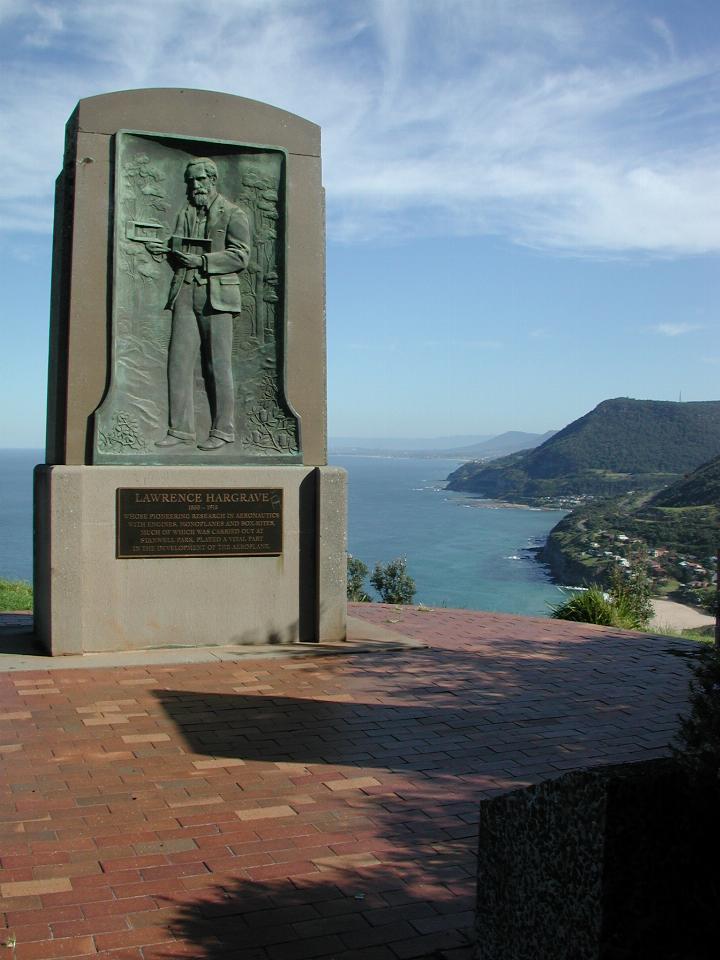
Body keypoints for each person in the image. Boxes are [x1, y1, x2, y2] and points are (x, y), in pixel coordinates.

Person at [147, 157, 251, 451]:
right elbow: (181, 245)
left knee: (216, 364)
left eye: (200, 180)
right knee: (178, 363)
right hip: (184, 293)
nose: (195, 186)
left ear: (212, 180)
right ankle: (180, 431)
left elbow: (241, 256)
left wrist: (203, 261)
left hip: (217, 298)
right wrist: (166, 248)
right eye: (191, 181)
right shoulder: (185, 213)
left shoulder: (233, 214)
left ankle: (223, 430)